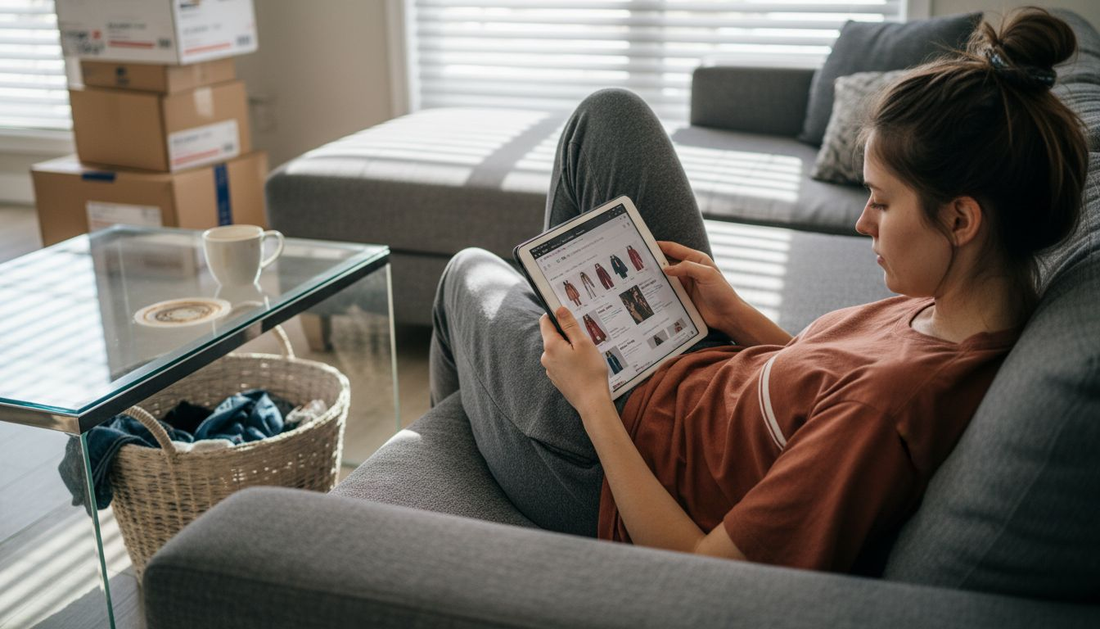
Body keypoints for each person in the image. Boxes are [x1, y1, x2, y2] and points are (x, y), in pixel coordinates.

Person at [428, 7, 1086, 574]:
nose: (863, 222)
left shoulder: (887, 415)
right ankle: (538, 367)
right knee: (609, 118)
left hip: (607, 467)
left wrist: (592, 398)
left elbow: (707, 570)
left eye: (882, 203)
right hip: (694, 364)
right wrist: (734, 312)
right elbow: (824, 386)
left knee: (465, 275)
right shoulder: (953, 306)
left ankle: (461, 477)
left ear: (961, 219)